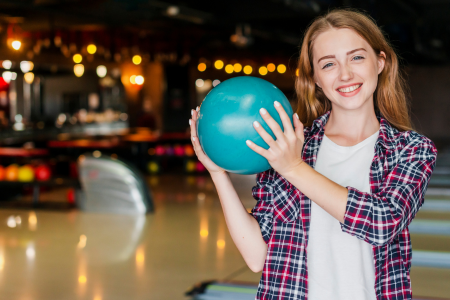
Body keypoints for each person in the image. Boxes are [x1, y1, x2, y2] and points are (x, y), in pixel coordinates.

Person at [189, 8, 437, 300]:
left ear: (380, 62)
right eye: (329, 64)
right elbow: (257, 256)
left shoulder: (412, 150)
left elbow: (383, 223)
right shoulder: (292, 144)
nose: (345, 74)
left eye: (357, 57)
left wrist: (293, 168)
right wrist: (218, 174)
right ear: (316, 77)